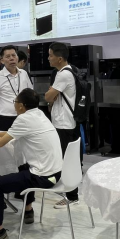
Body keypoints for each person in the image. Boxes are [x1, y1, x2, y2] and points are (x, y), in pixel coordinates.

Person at [0, 89, 63, 239]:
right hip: (55, 172)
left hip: (42, 177)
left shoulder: (23, 119)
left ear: (21, 105)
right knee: (22, 166)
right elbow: (12, 134)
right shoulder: (39, 114)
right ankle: (28, 209)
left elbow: (0, 143)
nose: (14, 104)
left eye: (15, 102)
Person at [45, 42, 81, 209]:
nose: (48, 58)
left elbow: (48, 96)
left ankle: (72, 196)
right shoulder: (71, 70)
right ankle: (69, 191)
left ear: (59, 58)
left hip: (64, 123)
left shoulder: (63, 74)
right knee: (67, 158)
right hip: (68, 122)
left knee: (66, 160)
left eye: (51, 55)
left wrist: (50, 93)